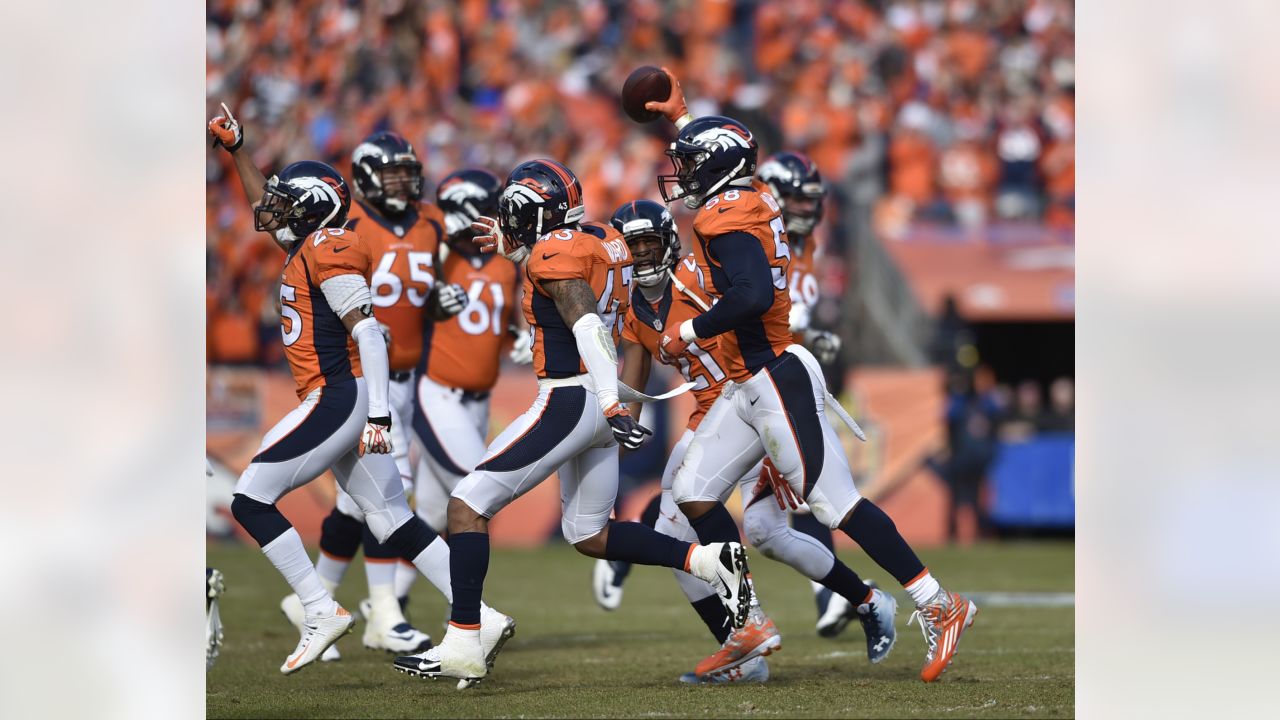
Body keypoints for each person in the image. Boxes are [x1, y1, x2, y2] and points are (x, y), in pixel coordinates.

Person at [644, 70, 979, 683]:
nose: (683, 173)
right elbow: (732, 159)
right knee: (694, 495)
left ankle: (940, 603)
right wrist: (685, 117)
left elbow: (746, 297)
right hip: (748, 385)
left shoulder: (724, 219)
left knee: (836, 507)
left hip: (774, 379)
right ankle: (746, 620)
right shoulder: (752, 197)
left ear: (718, 170)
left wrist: (684, 334)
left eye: (692, 163)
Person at [395, 159, 753, 689]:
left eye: (517, 215)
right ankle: (705, 561)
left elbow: (583, 318)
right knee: (589, 534)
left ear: (539, 215)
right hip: (597, 404)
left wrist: (610, 399)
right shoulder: (604, 238)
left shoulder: (555, 251)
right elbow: (569, 273)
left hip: (572, 397)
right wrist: (519, 249)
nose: (511, 224)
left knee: (465, 507)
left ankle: (464, 639)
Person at [208, 107, 513, 675]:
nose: (275, 210)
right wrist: (238, 152)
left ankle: (320, 609)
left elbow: (369, 330)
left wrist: (377, 416)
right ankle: (481, 616)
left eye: (288, 202)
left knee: (250, 497)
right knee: (390, 517)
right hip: (350, 395)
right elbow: (264, 209)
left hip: (340, 395)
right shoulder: (314, 243)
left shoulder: (329, 246)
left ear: (314, 208)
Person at [603, 199, 899, 683]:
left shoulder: (699, 279)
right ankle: (847, 607)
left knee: (693, 530)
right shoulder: (632, 309)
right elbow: (632, 384)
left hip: (750, 407)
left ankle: (751, 632)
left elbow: (756, 313)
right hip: (709, 421)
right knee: (744, 536)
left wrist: (772, 440)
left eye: (648, 244)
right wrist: (619, 424)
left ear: (669, 243)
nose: (640, 256)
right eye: (631, 248)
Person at [279, 130, 469, 659]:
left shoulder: (431, 220)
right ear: (363, 178)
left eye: (409, 171)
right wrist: (240, 152)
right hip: (367, 376)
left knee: (356, 500)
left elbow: (416, 296)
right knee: (390, 494)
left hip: (410, 376)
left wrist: (437, 304)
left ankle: (313, 600)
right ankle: (383, 612)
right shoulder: (342, 227)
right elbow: (280, 224)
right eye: (392, 173)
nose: (404, 181)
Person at [756, 150, 865, 638]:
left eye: (810, 201)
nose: (805, 209)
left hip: (789, 380)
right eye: (796, 199)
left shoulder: (810, 246)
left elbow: (798, 312)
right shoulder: (755, 235)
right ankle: (845, 593)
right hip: (749, 379)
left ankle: (842, 594)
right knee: (699, 489)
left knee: (810, 494)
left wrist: (812, 335)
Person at [408, 168, 524, 537]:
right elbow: (405, 309)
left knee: (432, 514)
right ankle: (467, 597)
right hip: (438, 391)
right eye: (492, 208)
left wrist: (518, 338)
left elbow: (495, 323)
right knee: (478, 492)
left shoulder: (505, 261)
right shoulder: (433, 258)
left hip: (479, 402)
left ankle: (391, 596)